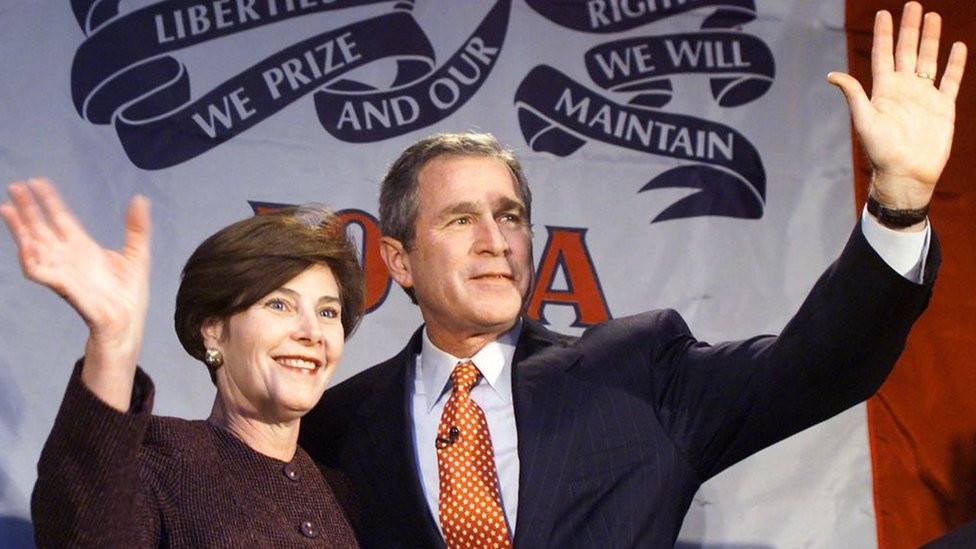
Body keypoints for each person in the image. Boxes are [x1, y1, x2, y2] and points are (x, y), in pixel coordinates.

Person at [297, 2, 968, 548]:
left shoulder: (636, 374)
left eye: (509, 216)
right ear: (399, 259)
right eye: (460, 219)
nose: (495, 241)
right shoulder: (335, 424)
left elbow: (819, 367)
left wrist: (898, 203)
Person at [0, 179, 365, 548]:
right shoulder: (157, 459)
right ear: (213, 330)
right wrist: (114, 342)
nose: (312, 331)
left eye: (327, 311)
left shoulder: (342, 495)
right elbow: (86, 534)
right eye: (279, 304)